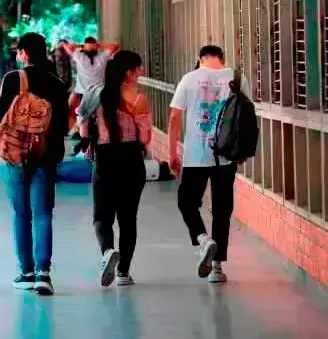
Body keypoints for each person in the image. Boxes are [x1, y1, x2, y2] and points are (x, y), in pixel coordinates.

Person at [167, 45, 252, 284]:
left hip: (196, 154)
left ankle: (203, 239)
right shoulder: (237, 77)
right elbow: (247, 116)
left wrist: (173, 152)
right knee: (222, 209)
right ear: (221, 59)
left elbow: (174, 116)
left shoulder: (190, 78)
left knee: (186, 201)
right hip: (226, 155)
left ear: (200, 59)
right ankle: (217, 268)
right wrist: (242, 150)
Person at [0, 33, 69, 296]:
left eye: (18, 51)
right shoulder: (58, 83)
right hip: (46, 157)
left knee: (21, 213)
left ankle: (25, 272)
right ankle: (43, 274)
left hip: (16, 156)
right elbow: (62, 126)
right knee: (43, 213)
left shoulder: (14, 79)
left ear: (24, 53)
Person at [77, 50, 152, 287]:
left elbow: (82, 126)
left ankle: (108, 250)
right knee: (128, 219)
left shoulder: (93, 94)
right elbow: (146, 135)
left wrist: (92, 138)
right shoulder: (138, 98)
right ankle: (123, 273)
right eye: (138, 69)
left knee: (102, 217)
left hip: (105, 158)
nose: (140, 73)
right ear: (128, 72)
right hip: (131, 159)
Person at [64, 37, 120, 132]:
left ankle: (84, 140)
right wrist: (97, 46)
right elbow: (115, 46)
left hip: (83, 93)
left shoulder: (79, 57)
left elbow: (67, 46)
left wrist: (83, 46)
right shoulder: (102, 57)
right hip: (99, 93)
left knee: (83, 118)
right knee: (100, 116)